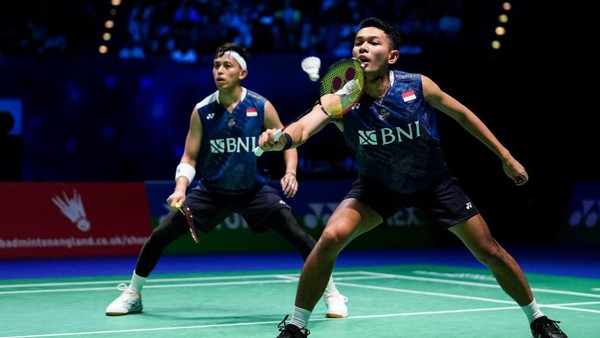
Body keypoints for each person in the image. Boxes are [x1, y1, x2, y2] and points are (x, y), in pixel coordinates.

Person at [258, 17, 568, 338]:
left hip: (433, 183)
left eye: (374, 42)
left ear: (392, 56)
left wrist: (505, 156)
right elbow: (304, 127)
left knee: (489, 250)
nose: (363, 46)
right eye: (359, 41)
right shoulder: (341, 99)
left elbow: (462, 114)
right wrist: (281, 139)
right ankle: (296, 326)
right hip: (377, 188)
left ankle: (539, 319)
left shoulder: (417, 85)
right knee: (331, 238)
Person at [105, 42, 348, 319]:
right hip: (211, 191)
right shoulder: (202, 111)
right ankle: (133, 294)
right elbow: (189, 156)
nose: (219, 71)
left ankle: (332, 293)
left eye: (227, 66)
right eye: (216, 66)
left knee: (299, 236)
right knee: (161, 234)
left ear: (242, 73)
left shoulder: (260, 105)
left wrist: (290, 171)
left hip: (254, 190)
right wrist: (180, 188)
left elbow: (286, 140)